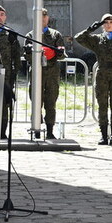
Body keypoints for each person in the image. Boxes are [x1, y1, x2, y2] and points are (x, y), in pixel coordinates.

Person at [76, 14, 112, 146]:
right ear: (102, 25)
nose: (109, 24)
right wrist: (90, 29)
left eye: (111, 22)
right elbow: (78, 38)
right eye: (105, 23)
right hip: (102, 75)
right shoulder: (97, 40)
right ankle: (103, 135)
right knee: (102, 105)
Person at [26, 9, 66, 140]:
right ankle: (36, 130)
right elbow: (27, 57)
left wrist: (59, 53)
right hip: (37, 74)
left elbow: (62, 56)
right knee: (36, 102)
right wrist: (29, 53)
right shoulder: (31, 35)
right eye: (39, 17)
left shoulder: (55, 35)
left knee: (51, 102)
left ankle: (50, 131)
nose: (42, 19)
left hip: (52, 74)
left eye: (44, 16)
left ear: (48, 18)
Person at [0, 5, 22, 139]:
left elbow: (16, 56)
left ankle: (2, 132)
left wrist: (13, 75)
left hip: (6, 75)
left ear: (5, 17)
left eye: (2, 14)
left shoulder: (10, 34)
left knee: (3, 105)